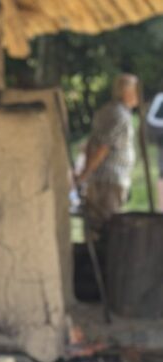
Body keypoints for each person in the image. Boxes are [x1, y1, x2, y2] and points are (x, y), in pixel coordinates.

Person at [76, 73, 139, 238]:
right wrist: (85, 174)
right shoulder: (118, 115)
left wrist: (86, 173)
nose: (138, 96)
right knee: (106, 226)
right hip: (108, 181)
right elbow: (103, 147)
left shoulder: (109, 110)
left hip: (104, 179)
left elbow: (92, 142)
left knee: (98, 224)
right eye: (136, 90)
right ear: (126, 92)